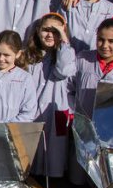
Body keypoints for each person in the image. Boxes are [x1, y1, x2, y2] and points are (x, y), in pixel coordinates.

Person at [24, 14, 76, 178]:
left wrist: (64, 43)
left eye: (55, 31)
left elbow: (63, 71)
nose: (49, 35)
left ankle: (53, 179)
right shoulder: (29, 55)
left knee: (55, 146)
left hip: (57, 108)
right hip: (34, 108)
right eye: (46, 30)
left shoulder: (66, 54)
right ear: (38, 31)